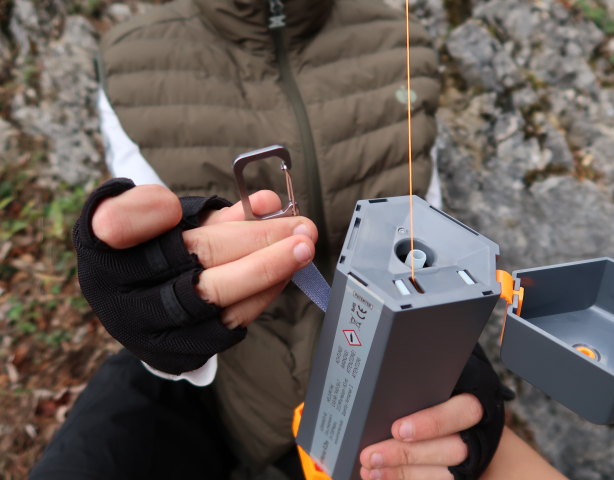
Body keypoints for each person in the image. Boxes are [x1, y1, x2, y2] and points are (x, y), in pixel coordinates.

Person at [30, 0, 567, 479]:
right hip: (226, 398)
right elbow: (153, 253)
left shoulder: (402, 35)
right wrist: (153, 311)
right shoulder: (129, 61)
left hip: (378, 412)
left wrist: (451, 363)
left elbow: (424, 238)